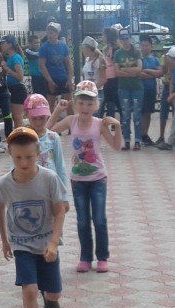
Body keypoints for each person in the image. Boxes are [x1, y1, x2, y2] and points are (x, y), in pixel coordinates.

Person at [0, 127, 68, 308]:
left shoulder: (49, 178)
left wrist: (54, 242)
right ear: (10, 154)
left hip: (47, 243)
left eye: (29, 157)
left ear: (38, 153)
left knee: (54, 293)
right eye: (18, 158)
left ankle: (49, 298)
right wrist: (4, 240)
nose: (23, 163)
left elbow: (60, 211)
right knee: (30, 289)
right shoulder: (5, 183)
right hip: (21, 244)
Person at [50, 81, 123, 273]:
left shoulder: (99, 124)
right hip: (78, 181)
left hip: (98, 179)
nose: (85, 107)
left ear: (96, 105)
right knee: (82, 221)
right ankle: (85, 257)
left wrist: (117, 126)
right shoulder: (71, 121)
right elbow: (48, 131)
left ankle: (102, 258)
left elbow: (116, 146)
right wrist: (58, 110)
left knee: (99, 219)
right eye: (81, 103)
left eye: (90, 104)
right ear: (75, 103)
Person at [25, 94, 70, 193]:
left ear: (47, 115)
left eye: (42, 118)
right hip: (29, 188)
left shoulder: (53, 137)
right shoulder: (23, 137)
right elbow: (15, 164)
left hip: (51, 187)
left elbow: (60, 166)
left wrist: (63, 194)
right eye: (34, 118)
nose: (38, 122)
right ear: (26, 114)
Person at [114, 29, 144, 151]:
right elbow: (117, 72)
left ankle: (137, 140)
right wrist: (132, 72)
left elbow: (139, 68)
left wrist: (124, 70)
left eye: (127, 38)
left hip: (137, 87)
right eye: (123, 39)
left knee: (137, 114)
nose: (125, 41)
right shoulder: (118, 54)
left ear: (130, 38)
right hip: (123, 87)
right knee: (125, 114)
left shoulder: (137, 52)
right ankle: (126, 140)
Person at [39, 22, 74, 109]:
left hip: (63, 77)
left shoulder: (63, 46)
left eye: (52, 33)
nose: (49, 35)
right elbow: (42, 65)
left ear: (57, 34)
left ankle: (70, 118)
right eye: (48, 33)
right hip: (51, 78)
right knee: (50, 104)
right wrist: (50, 81)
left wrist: (70, 79)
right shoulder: (44, 47)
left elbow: (68, 63)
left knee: (69, 103)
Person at [0, 35, 27, 128]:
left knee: (18, 118)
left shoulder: (16, 57)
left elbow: (20, 76)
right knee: (15, 118)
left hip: (18, 89)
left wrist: (6, 68)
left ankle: (21, 136)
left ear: (10, 44)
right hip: (12, 88)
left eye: (3, 43)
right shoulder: (9, 57)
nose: (1, 45)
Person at [139, 35, 162, 146]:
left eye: (147, 45)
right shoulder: (139, 59)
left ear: (151, 46)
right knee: (141, 113)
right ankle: (140, 135)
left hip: (151, 89)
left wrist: (147, 71)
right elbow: (138, 74)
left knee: (148, 113)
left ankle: (145, 134)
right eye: (143, 45)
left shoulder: (155, 59)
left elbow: (160, 73)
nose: (145, 48)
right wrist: (152, 74)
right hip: (140, 90)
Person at [81, 36, 107, 113]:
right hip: (87, 91)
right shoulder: (87, 60)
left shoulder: (98, 61)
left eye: (83, 48)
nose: (82, 50)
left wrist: (92, 88)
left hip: (97, 92)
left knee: (95, 115)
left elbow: (103, 79)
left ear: (88, 48)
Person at [101, 27, 120, 119]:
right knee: (108, 99)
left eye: (104, 35)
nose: (102, 37)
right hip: (106, 77)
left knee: (112, 99)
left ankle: (111, 118)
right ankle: (109, 118)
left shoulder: (116, 49)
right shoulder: (106, 48)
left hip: (113, 78)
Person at [25, 34, 45, 100]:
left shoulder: (41, 50)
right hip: (36, 76)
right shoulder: (28, 51)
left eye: (38, 42)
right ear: (30, 43)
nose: (38, 44)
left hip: (44, 75)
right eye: (35, 43)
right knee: (38, 95)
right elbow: (34, 56)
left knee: (45, 94)